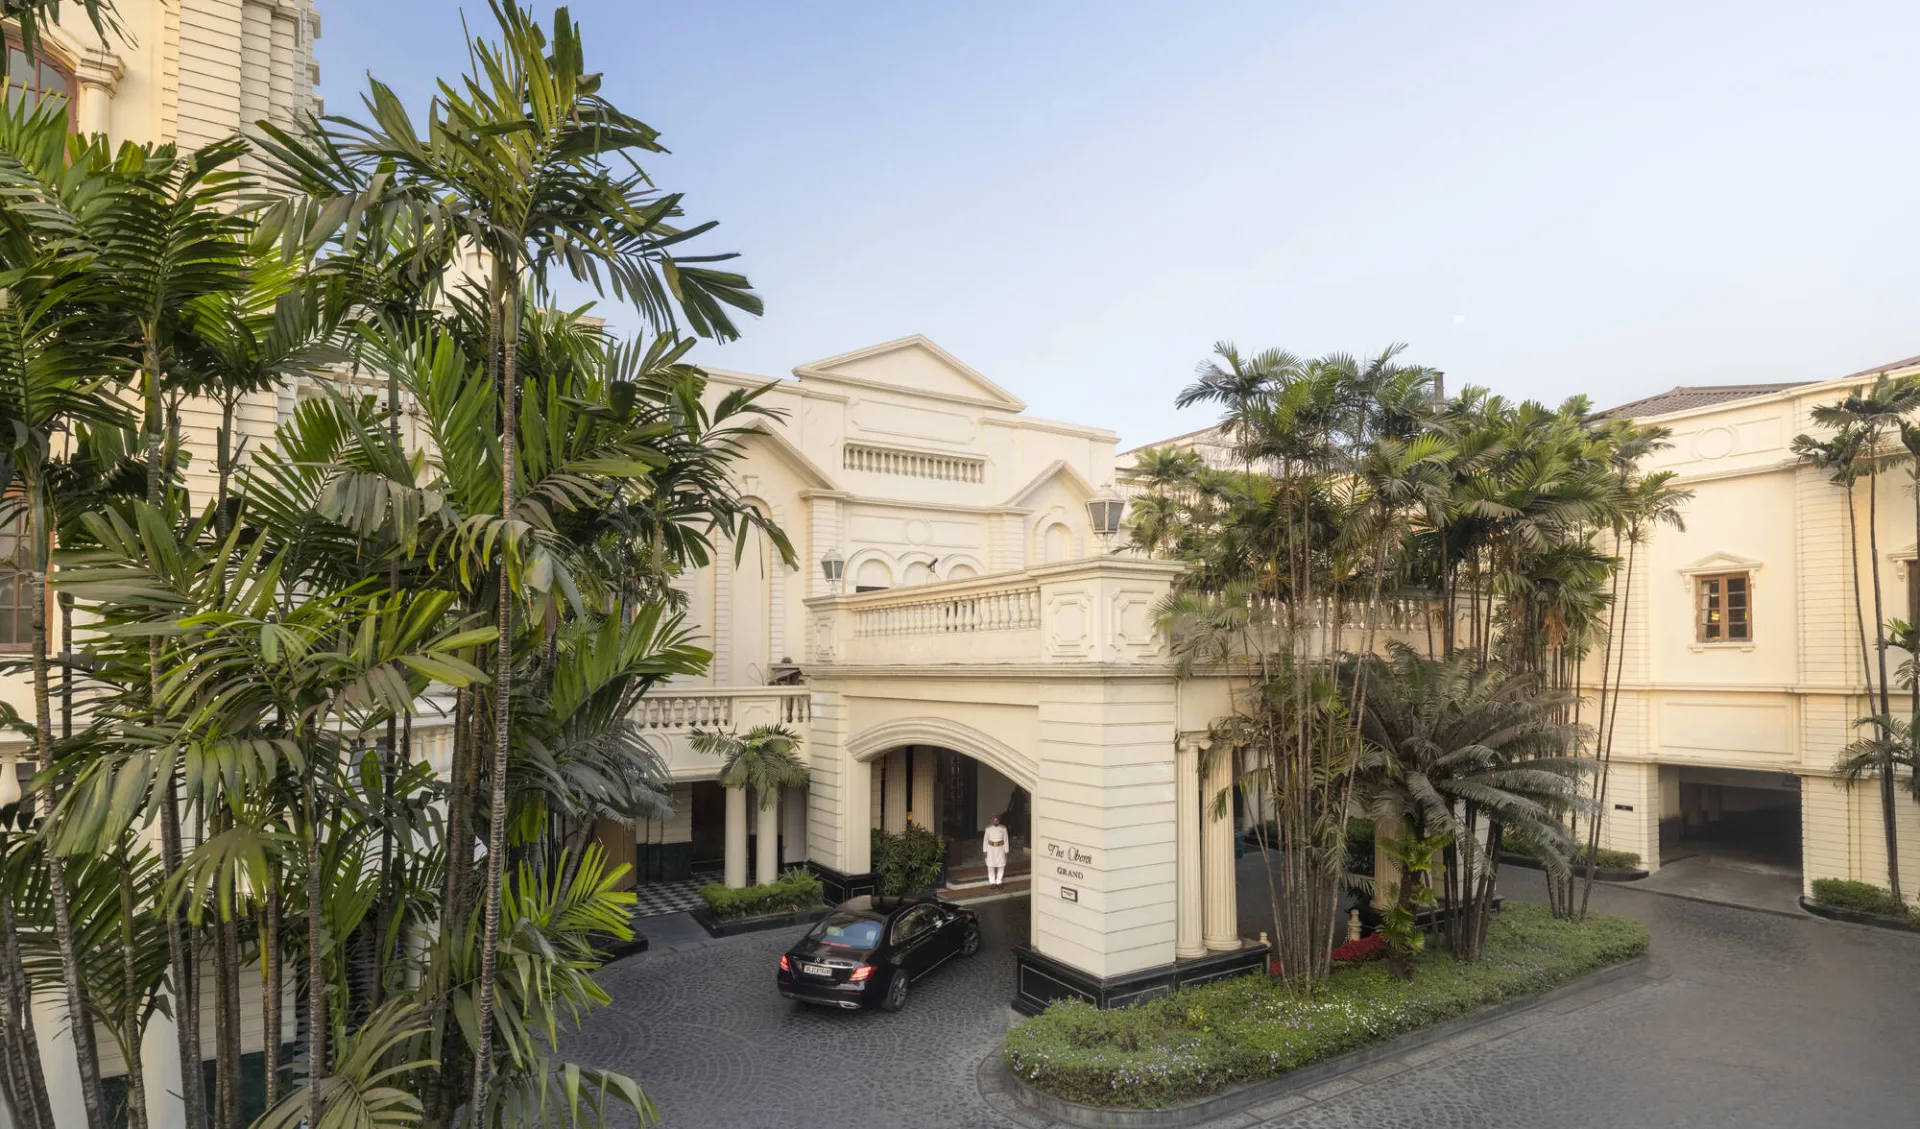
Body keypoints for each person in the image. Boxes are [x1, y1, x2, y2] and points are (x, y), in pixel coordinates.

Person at [983, 814, 1010, 888]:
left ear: (999, 821)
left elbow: (1006, 840)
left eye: (997, 821)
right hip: (990, 849)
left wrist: (1006, 850)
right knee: (990, 866)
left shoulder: (1003, 828)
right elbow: (985, 840)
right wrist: (984, 850)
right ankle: (992, 882)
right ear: (992, 821)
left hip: (1000, 849)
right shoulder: (988, 828)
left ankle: (999, 882)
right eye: (994, 821)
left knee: (1001, 866)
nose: (995, 822)